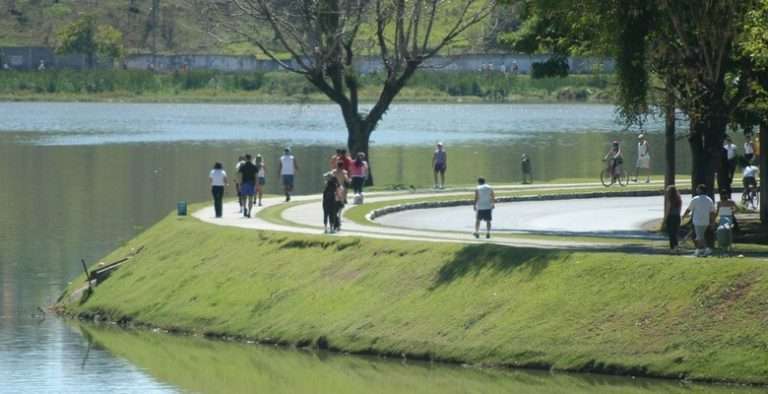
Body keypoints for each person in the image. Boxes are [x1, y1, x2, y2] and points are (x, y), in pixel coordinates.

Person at [683, 184, 715, 257]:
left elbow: (689, 209)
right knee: (700, 236)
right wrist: (712, 222)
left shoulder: (695, 199)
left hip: (698, 221)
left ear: (701, 190)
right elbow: (713, 212)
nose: (696, 190)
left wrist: (684, 216)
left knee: (699, 238)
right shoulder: (709, 199)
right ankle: (699, 250)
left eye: (697, 189)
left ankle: (706, 249)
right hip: (706, 221)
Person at [664, 185, 682, 253]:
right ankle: (676, 247)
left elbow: (668, 210)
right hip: (677, 217)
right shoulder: (679, 199)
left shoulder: (670, 199)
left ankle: (672, 248)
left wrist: (665, 219)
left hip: (671, 217)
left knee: (671, 234)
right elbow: (679, 210)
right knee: (675, 233)